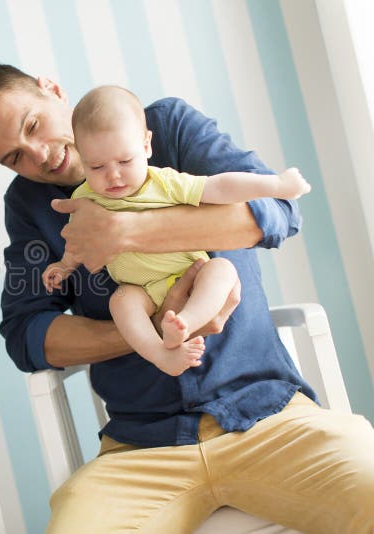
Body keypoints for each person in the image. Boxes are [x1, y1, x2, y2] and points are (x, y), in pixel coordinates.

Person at [0, 64, 374, 532]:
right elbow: (27, 335)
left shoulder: (166, 128)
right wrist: (148, 334)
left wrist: (126, 232)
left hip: (265, 417)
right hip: (142, 448)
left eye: (32, 125)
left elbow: (274, 212)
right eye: (14, 157)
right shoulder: (30, 205)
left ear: (52, 89)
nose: (40, 155)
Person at [42, 85, 311, 376]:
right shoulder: (84, 199)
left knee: (222, 270)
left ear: (146, 146)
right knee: (120, 303)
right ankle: (162, 355)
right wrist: (64, 265)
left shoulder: (164, 182)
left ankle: (184, 322)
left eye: (125, 161)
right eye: (97, 167)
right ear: (83, 157)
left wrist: (276, 186)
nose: (113, 175)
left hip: (190, 271)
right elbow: (77, 243)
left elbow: (220, 187)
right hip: (141, 289)